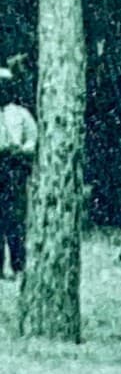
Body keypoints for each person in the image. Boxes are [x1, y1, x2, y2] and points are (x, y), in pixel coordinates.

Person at [0, 65, 37, 279]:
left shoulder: (21, 114)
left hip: (13, 168)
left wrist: (22, 149)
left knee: (15, 218)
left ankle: (18, 265)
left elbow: (33, 138)